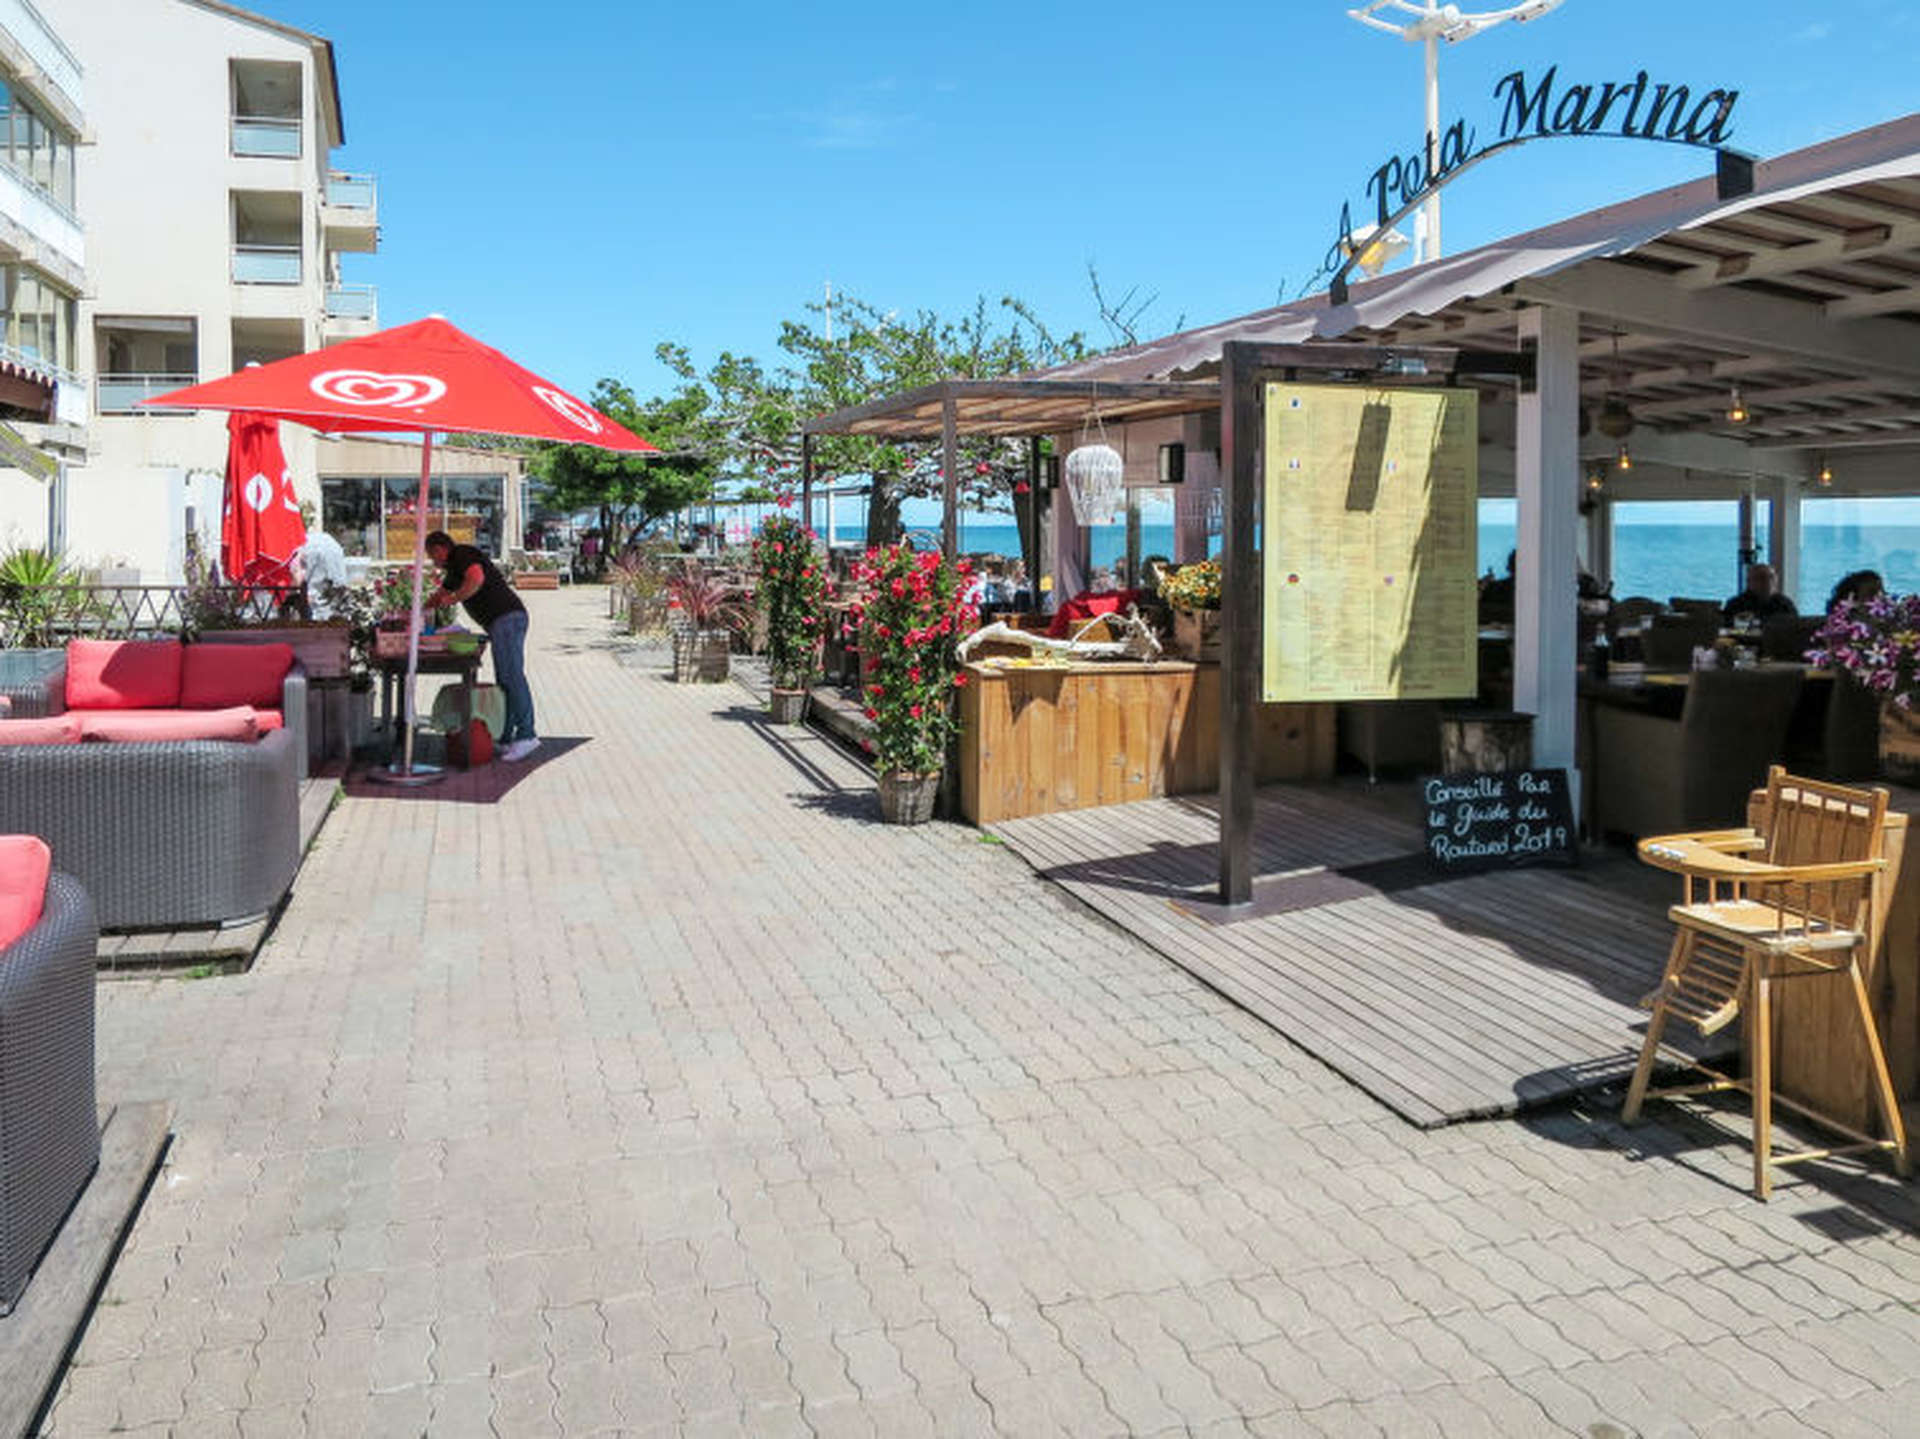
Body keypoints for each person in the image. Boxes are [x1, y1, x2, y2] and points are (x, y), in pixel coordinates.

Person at [422, 530, 538, 761]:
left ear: (440, 549)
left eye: (432, 555)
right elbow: (439, 596)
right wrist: (419, 612)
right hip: (501, 623)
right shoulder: (454, 571)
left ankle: (527, 735)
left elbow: (476, 579)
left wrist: (453, 599)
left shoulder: (462, 554)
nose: (433, 561)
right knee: (505, 679)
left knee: (512, 676)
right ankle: (507, 737)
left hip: (507, 618)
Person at [293, 528, 348, 619]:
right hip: (331, 555)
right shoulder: (328, 543)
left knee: (316, 602)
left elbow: (297, 573)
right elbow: (339, 582)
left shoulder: (301, 548)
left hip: (316, 555)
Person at [1723, 562, 1797, 625]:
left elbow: (1795, 628)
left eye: (1771, 577)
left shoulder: (1784, 604)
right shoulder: (1736, 605)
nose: (1768, 582)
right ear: (1749, 582)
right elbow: (1726, 630)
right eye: (1762, 578)